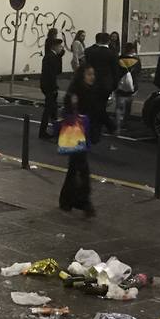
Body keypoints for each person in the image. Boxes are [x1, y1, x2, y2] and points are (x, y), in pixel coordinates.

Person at [58, 66, 95, 217]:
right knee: (83, 170)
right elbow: (69, 112)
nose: (92, 77)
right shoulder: (75, 92)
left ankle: (66, 200)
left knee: (74, 169)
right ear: (82, 76)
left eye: (93, 74)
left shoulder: (87, 90)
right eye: (89, 74)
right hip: (75, 136)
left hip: (83, 135)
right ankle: (83, 201)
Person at [83, 32, 119, 142]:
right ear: (108, 41)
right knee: (99, 108)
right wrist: (114, 86)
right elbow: (115, 71)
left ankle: (95, 133)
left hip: (90, 84)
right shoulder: (112, 53)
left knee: (93, 108)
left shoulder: (88, 51)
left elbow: (85, 67)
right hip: (105, 86)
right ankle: (108, 127)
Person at [39, 36, 65, 139]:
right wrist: (53, 88)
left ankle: (56, 131)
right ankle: (43, 132)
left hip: (49, 86)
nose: (61, 48)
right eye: (60, 46)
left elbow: (58, 71)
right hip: (49, 87)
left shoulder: (52, 56)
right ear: (54, 46)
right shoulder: (50, 57)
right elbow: (51, 74)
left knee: (53, 110)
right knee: (49, 110)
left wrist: (60, 56)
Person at [115, 42, 141, 136]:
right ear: (133, 50)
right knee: (128, 107)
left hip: (120, 87)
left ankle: (117, 126)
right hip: (132, 87)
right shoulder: (136, 60)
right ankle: (125, 123)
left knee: (119, 107)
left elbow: (116, 73)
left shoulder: (119, 59)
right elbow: (138, 73)